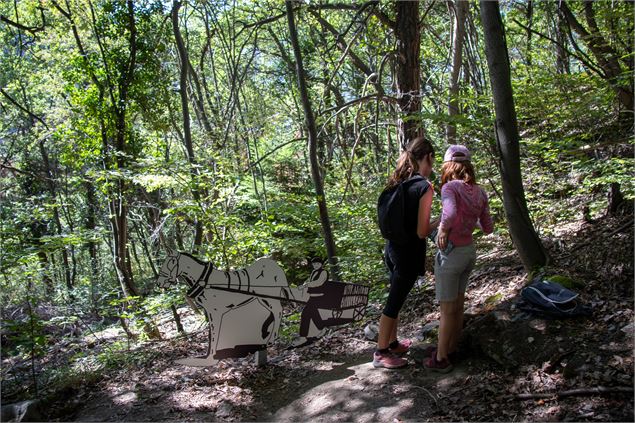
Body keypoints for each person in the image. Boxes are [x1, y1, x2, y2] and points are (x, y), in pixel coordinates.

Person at [424, 145, 494, 373]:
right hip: (468, 253)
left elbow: (451, 213)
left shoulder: (449, 188)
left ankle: (441, 358)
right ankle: (452, 347)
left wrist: (443, 230)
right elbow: (488, 228)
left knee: (446, 310)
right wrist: (468, 220)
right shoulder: (480, 191)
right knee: (458, 305)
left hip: (451, 255)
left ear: (448, 166)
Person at [373, 137, 437, 369]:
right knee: (393, 302)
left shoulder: (399, 183)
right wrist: (441, 219)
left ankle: (392, 343)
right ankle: (380, 353)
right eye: (433, 159)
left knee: (395, 298)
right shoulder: (424, 187)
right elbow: (421, 231)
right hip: (408, 254)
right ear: (428, 157)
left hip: (391, 249)